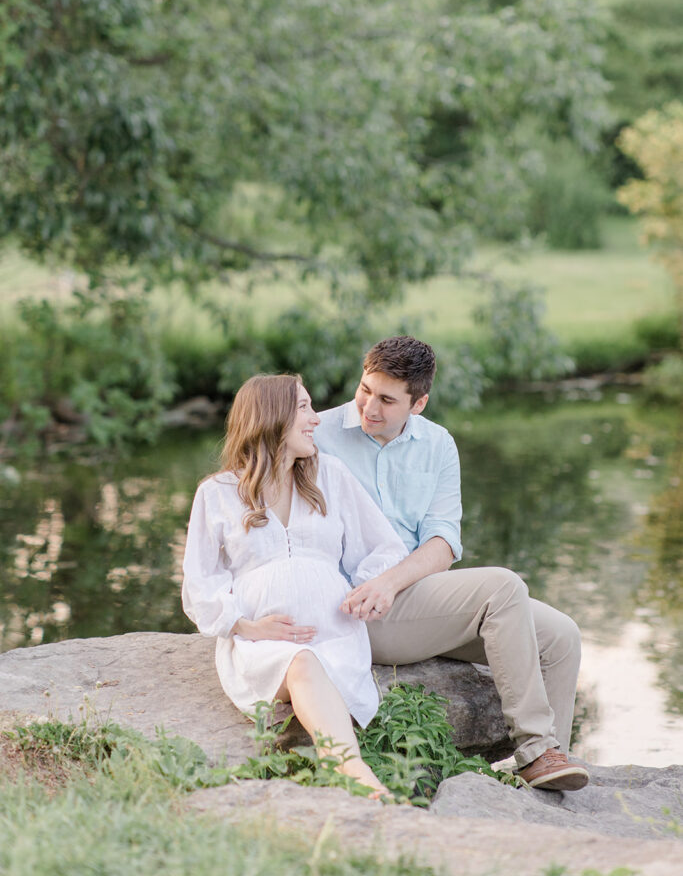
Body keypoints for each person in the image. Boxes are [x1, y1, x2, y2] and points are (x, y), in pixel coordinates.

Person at [315, 335, 590, 792]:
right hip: (356, 609)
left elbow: (443, 542)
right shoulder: (317, 435)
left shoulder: (438, 444)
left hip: (413, 597)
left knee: (561, 637)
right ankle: (535, 749)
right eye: (365, 390)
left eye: (387, 399)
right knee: (501, 587)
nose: (368, 407)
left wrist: (392, 580)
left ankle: (546, 769)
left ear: (418, 403)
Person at [182, 373, 408, 798]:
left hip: (336, 635)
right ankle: (353, 773)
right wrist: (245, 627)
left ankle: (348, 772)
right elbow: (199, 584)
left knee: (313, 660)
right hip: (262, 648)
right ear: (273, 417)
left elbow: (384, 546)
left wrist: (366, 590)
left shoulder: (330, 476)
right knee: (301, 662)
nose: (315, 419)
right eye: (303, 407)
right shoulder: (218, 493)